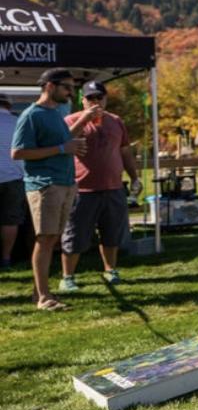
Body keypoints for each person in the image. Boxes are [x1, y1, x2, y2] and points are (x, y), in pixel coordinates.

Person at [10, 68, 88, 311]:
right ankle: (44, 298)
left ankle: (39, 292)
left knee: (52, 239)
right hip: (44, 185)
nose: (71, 93)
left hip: (65, 184)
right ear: (50, 86)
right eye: (67, 87)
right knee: (44, 239)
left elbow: (62, 142)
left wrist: (76, 134)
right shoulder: (32, 115)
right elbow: (18, 152)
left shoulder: (59, 112)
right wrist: (63, 149)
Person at [58, 80, 142, 291]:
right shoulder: (70, 120)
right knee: (75, 234)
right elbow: (61, 141)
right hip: (82, 188)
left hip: (113, 187)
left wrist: (134, 177)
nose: (96, 101)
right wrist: (85, 118)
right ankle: (68, 277)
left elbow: (124, 152)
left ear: (105, 98)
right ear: (82, 100)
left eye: (99, 97)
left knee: (111, 233)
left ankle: (110, 270)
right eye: (90, 98)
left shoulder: (116, 121)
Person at [0, 95, 25, 272]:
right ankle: (6, 258)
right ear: (9, 106)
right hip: (14, 178)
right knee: (10, 220)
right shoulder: (18, 122)